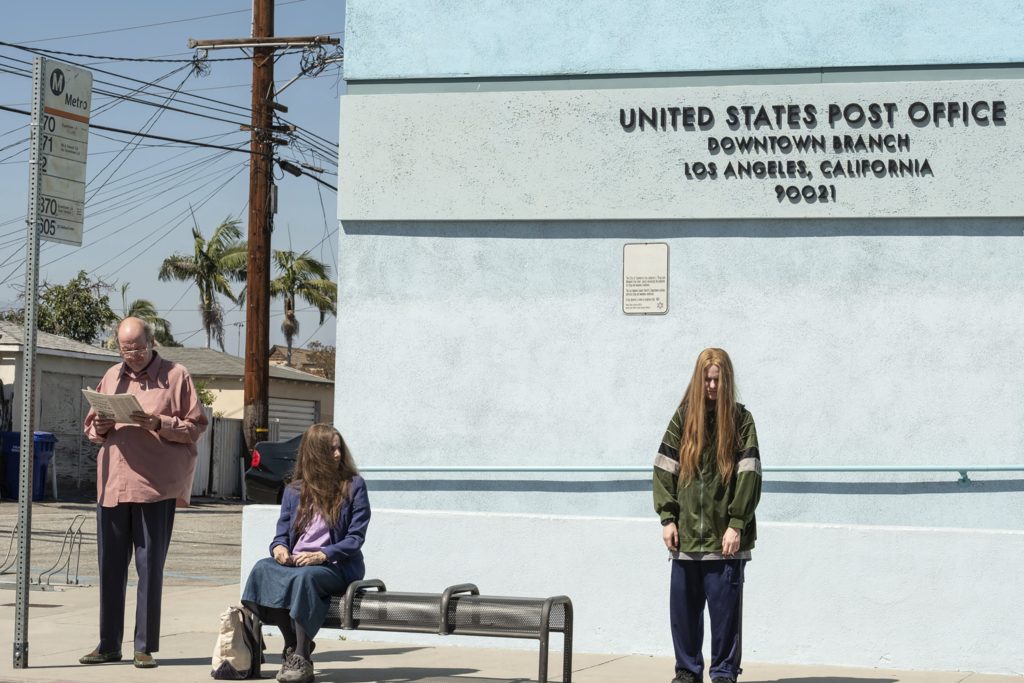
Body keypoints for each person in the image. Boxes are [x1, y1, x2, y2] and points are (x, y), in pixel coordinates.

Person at [80, 316, 208, 669]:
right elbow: (92, 427)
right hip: (113, 485)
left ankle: (144, 647)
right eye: (125, 348)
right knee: (110, 567)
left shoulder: (176, 375)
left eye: (137, 347)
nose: (131, 354)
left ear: (152, 343)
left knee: (149, 568)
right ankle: (108, 644)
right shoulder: (111, 376)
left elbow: (197, 426)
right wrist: (101, 425)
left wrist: (158, 423)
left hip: (155, 486)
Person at [652, 348, 762, 683]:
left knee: (726, 618)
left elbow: (749, 474)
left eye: (717, 379)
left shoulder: (742, 420)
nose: (712, 386)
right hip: (686, 539)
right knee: (684, 616)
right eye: (707, 379)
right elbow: (663, 468)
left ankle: (724, 674)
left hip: (724, 541)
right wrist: (668, 518)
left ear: (726, 380)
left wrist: (736, 524)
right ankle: (687, 672)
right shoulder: (683, 418)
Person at [242, 423, 370, 683]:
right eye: (331, 449)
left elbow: (355, 539)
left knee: (304, 579)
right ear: (315, 454)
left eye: (339, 448)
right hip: (298, 562)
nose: (337, 454)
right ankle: (294, 645)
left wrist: (323, 554)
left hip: (335, 565)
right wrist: (279, 548)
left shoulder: (353, 485)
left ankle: (301, 657)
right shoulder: (293, 490)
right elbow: (281, 535)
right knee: (262, 570)